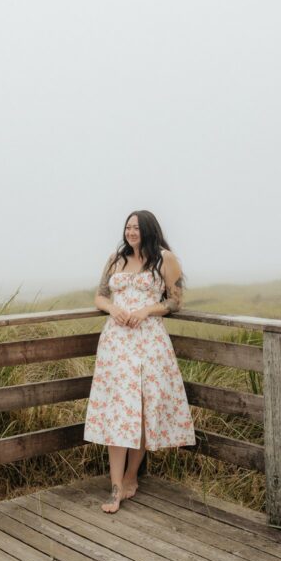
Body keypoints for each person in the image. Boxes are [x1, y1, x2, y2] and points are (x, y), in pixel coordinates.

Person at [83, 210, 195, 513]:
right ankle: (115, 487)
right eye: (128, 227)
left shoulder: (164, 259)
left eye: (136, 227)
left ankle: (131, 476)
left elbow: (176, 300)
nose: (131, 232)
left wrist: (147, 310)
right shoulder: (116, 259)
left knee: (144, 408)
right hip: (116, 343)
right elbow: (100, 296)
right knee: (117, 410)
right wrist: (112, 309)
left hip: (149, 342)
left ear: (148, 230)